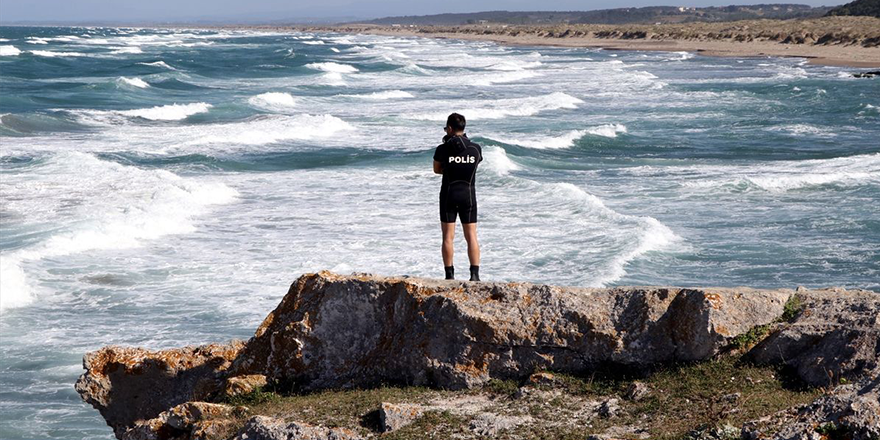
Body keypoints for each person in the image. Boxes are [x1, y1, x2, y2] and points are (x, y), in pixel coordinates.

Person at [433, 113, 482, 281]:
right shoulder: (476, 149)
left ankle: (449, 276)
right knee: (471, 236)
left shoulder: (442, 149)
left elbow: (436, 169)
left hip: (449, 195)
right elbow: (475, 165)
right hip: (468, 195)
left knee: (448, 236)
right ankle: (474, 276)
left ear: (450, 128)